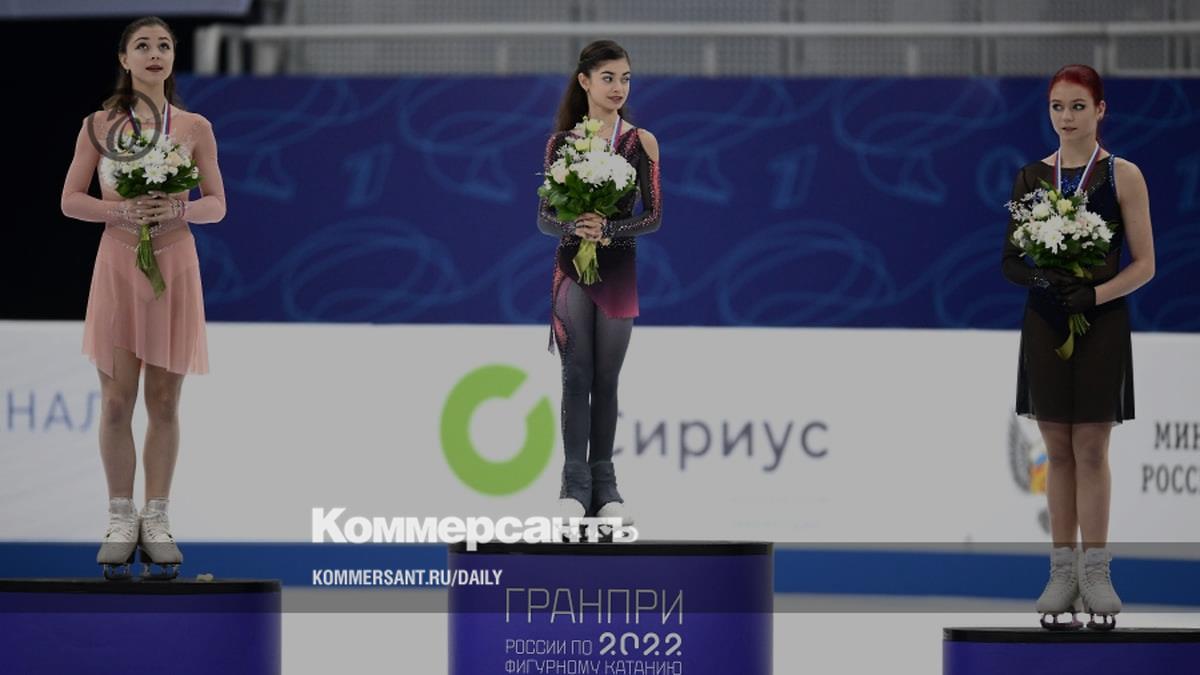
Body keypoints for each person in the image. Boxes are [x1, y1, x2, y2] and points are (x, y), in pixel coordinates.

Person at [61, 16, 227, 578]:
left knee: (163, 401)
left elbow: (217, 204)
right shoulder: (98, 126)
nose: (155, 53)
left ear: (173, 58)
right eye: (143, 45)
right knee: (115, 401)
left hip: (174, 263)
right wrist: (121, 209)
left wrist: (180, 206)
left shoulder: (196, 127)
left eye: (164, 45)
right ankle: (119, 516)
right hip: (118, 262)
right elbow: (70, 199)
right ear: (124, 58)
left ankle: (156, 518)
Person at [1002, 64, 1155, 629]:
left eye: (1077, 107)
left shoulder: (1122, 175)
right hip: (1046, 322)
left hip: (1101, 320)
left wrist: (1093, 294)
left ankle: (1097, 572)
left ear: (1100, 110)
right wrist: (1044, 281)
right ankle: (1061, 571)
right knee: (1057, 450)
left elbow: (1145, 264)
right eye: (1057, 107)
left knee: (1091, 449)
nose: (1066, 118)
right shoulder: (1030, 177)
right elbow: (1010, 260)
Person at [537, 40, 661, 526]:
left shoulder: (641, 142)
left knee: (607, 380)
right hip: (571, 267)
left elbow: (653, 215)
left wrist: (609, 228)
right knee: (576, 375)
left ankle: (605, 488)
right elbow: (545, 217)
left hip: (618, 268)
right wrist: (577, 225)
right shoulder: (561, 145)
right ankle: (573, 486)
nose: (618, 87)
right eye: (608, 77)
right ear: (585, 81)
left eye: (625, 78)